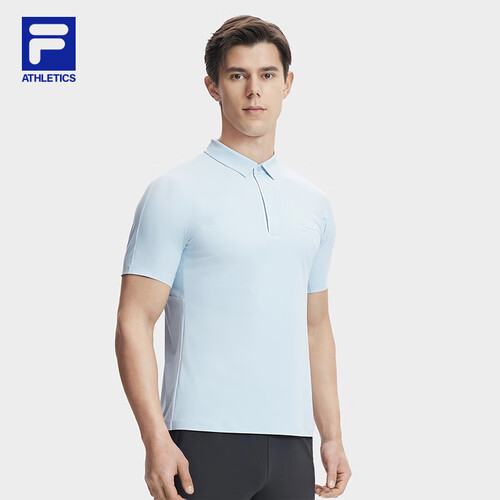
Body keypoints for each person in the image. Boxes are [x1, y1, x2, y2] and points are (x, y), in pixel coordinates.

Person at [115, 14, 351, 500]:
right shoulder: (174, 192)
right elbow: (134, 321)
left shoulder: (314, 204)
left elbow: (316, 326)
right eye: (237, 75)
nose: (253, 90)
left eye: (267, 75)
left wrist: (331, 435)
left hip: (291, 443)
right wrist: (155, 439)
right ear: (213, 87)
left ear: (288, 84)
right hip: (200, 438)